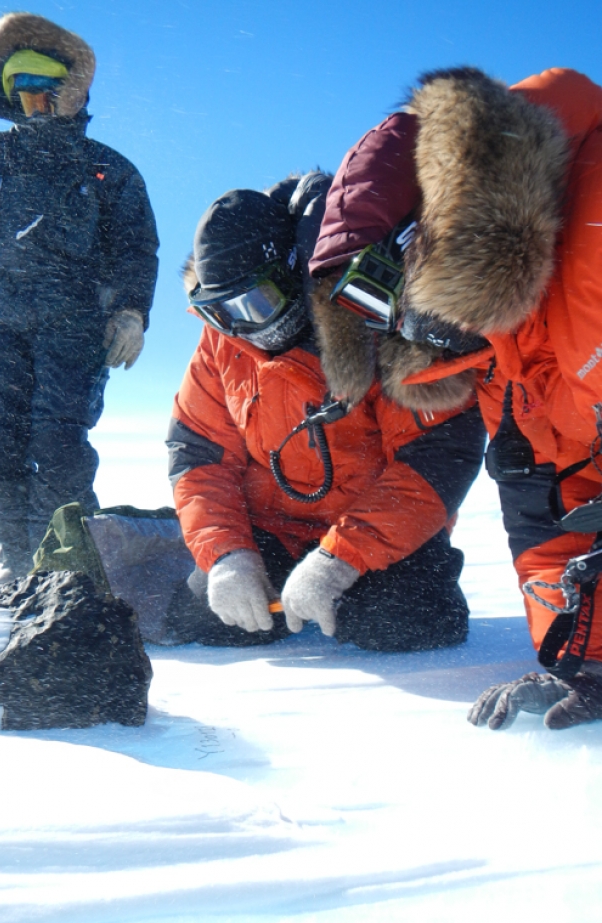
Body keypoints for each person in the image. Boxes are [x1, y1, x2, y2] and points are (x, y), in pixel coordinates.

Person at [308, 66, 602, 729]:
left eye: (391, 286)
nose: (403, 322)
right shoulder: (498, 352)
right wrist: (583, 662)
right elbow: (550, 505)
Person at [163, 172, 485, 649]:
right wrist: (227, 556)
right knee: (204, 621)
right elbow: (198, 457)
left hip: (376, 531)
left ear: (291, 273)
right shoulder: (223, 339)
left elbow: (435, 458)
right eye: (221, 311)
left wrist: (339, 560)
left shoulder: (372, 316)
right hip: (271, 529)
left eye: (256, 303)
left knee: (409, 621)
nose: (243, 326)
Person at [0, 13, 159, 583]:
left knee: (58, 449)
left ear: (72, 93)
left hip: (75, 323)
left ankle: (61, 568)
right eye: (22, 93)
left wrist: (131, 312)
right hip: (0, 324)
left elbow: (137, 247)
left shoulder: (109, 168)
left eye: (45, 92)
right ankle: (18, 559)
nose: (33, 104)